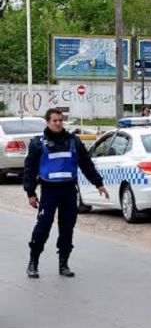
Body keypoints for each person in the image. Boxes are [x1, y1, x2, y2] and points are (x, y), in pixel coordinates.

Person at [23, 108, 108, 278]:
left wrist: (98, 183)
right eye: (54, 120)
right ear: (47, 122)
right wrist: (30, 193)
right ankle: (33, 262)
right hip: (49, 192)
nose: (58, 123)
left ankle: (64, 264)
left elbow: (86, 164)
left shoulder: (73, 141)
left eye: (60, 120)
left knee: (67, 228)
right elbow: (29, 169)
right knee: (42, 228)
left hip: (69, 191)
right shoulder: (38, 143)